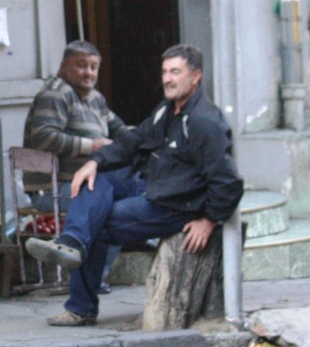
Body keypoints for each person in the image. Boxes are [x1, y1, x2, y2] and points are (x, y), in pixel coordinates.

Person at [25, 43, 244, 326]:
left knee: (99, 224)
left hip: (174, 204)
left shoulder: (204, 121)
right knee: (97, 179)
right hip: (153, 183)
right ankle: (71, 242)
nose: (167, 79)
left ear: (196, 76)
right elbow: (134, 140)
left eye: (175, 72)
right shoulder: (168, 109)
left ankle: (80, 306)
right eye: (165, 72)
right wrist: (95, 161)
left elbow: (228, 182)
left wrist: (209, 220)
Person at [22, 40, 128, 291]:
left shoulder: (95, 99)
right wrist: (92, 146)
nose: (88, 73)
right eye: (81, 66)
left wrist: (142, 138)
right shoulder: (56, 93)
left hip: (83, 186)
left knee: (126, 203)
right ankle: (90, 277)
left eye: (93, 67)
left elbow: (120, 130)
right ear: (64, 67)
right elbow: (45, 137)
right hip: (52, 189)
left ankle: (88, 274)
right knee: (115, 210)